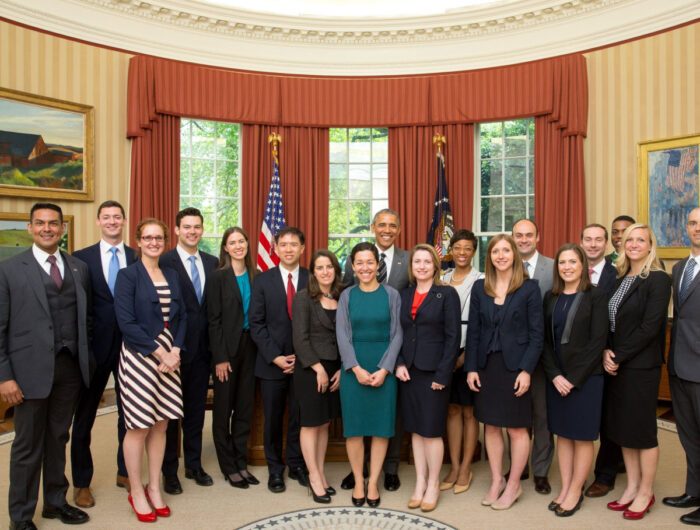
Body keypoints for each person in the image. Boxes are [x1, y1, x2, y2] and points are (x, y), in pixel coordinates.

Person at [0, 203, 92, 529]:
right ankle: (21, 517)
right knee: (27, 446)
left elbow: (86, 320)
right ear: (30, 228)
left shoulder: (79, 267)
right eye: (40, 223)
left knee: (58, 438)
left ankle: (55, 502)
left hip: (69, 370)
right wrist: (5, 376)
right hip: (27, 374)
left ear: (62, 229)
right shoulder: (9, 270)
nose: (47, 228)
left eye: (54, 223)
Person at [114, 218, 186, 523]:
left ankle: (154, 487)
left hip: (170, 356)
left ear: (165, 241)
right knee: (139, 426)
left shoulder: (171, 273)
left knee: (161, 424)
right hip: (140, 356)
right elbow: (126, 322)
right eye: (148, 237)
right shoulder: (127, 276)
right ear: (138, 241)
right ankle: (136, 490)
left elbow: (182, 317)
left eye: (158, 237)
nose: (153, 242)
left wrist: (175, 351)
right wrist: (160, 352)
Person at [466, 234, 544, 511]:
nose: (500, 255)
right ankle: (497, 479)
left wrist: (526, 370)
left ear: (514, 255)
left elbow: (537, 335)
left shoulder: (529, 288)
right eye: (495, 251)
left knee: (516, 427)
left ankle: (514, 483)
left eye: (505, 250)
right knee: (491, 425)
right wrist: (471, 367)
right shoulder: (479, 288)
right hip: (487, 367)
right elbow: (473, 331)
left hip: (515, 367)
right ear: (489, 257)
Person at [602, 223, 671, 520]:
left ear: (650, 245)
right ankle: (630, 487)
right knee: (622, 429)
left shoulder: (657, 279)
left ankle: (646, 490)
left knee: (642, 431)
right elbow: (609, 322)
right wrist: (606, 350)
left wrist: (618, 355)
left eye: (640, 239)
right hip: (616, 363)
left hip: (641, 366)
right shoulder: (619, 278)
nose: (633, 244)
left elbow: (650, 327)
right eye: (629, 239)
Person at [70, 200, 136, 508]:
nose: (112, 221)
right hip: (93, 351)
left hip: (131, 349)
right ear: (99, 222)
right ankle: (81, 483)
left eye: (117, 217)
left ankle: (125, 472)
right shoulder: (80, 259)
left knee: (131, 415)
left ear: (124, 221)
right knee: (84, 418)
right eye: (106, 217)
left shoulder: (138, 257)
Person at [341, 208, 409, 492]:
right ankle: (359, 481)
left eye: (370, 262)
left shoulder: (392, 294)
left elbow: (398, 333)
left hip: (384, 367)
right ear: (353, 266)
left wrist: (385, 369)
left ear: (376, 265)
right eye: (360, 263)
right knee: (354, 429)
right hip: (354, 368)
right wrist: (355, 369)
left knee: (382, 428)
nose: (366, 267)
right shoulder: (346, 294)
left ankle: (374, 483)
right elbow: (342, 335)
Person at [541, 244, 608, 517]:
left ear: (583, 265)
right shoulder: (550, 297)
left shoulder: (596, 296)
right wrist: (555, 375)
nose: (567, 267)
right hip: (556, 378)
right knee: (563, 436)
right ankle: (566, 486)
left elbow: (597, 342)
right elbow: (544, 341)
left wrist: (573, 379)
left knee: (581, 437)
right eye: (562, 263)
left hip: (586, 379)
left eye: (572, 262)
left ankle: (576, 490)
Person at [396, 244, 460, 512]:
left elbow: (453, 337)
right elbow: (396, 332)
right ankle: (420, 482)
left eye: (427, 262)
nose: (422, 266)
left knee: (432, 431)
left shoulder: (446, 294)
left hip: (435, 373)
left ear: (435, 266)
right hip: (409, 372)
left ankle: (433, 484)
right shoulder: (404, 294)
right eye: (417, 262)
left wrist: (443, 373)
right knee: (416, 431)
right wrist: (398, 363)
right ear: (412, 267)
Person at [159, 207, 218, 494]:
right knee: (170, 413)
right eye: (187, 227)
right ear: (177, 229)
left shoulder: (213, 262)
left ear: (202, 230)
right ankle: (170, 470)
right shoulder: (163, 260)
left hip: (203, 351)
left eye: (197, 227)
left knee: (195, 411)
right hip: (171, 351)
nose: (192, 231)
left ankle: (193, 464)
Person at [250, 226, 309, 493]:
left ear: (302, 249)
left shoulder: (313, 278)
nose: (288, 249)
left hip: (304, 363)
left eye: (293, 244)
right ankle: (275, 469)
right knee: (272, 419)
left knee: (299, 417)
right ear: (275, 248)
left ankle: (296, 464)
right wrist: (275, 356)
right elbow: (256, 323)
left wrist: (304, 356)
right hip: (271, 363)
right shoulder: (262, 280)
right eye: (283, 244)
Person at [207, 227, 259, 489]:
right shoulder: (218, 278)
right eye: (232, 242)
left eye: (242, 241)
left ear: (247, 245)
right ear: (225, 248)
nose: (238, 246)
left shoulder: (256, 275)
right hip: (226, 352)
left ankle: (241, 462)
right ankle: (228, 467)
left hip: (252, 349)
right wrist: (220, 357)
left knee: (244, 408)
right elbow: (213, 321)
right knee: (223, 409)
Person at [291, 250, 344, 503]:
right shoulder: (303, 298)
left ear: (336, 269)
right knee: (310, 424)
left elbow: (346, 336)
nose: (325, 272)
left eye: (329, 267)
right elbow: (299, 339)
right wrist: (319, 368)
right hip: (310, 369)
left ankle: (321, 473)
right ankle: (313, 477)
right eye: (319, 268)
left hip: (336, 368)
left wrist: (342, 369)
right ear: (313, 272)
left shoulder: (343, 296)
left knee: (324, 423)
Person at [439, 230, 483, 495]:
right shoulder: (441, 279)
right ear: (451, 250)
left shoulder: (482, 280)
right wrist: (448, 357)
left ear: (474, 252)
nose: (462, 253)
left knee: (469, 412)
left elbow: (484, 322)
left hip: (470, 352)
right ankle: (453, 466)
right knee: (452, 410)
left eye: (468, 248)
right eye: (458, 248)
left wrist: (467, 356)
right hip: (445, 352)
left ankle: (467, 466)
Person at [512, 218, 554, 494]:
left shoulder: (554, 267)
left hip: (545, 353)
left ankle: (540, 471)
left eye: (529, 235)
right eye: (519, 235)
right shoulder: (503, 265)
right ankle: (518, 466)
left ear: (538, 237)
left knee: (542, 415)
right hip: (513, 354)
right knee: (515, 414)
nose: (524, 239)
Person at [664, 208, 700, 525]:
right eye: (692, 223)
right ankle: (694, 491)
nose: (697, 228)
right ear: (686, 228)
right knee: (689, 435)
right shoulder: (679, 268)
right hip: (678, 364)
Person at [580, 223, 617, 294]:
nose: (593, 245)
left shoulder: (617, 276)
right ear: (581, 243)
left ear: (606, 244)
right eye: (588, 240)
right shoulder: (571, 272)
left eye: (598, 240)